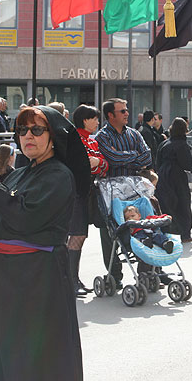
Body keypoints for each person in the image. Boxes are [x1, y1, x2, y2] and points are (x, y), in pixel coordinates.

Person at [0, 105, 90, 381]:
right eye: (22, 130)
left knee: (38, 360)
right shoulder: (17, 174)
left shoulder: (59, 175)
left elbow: (24, 217)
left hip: (37, 282)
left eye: (37, 130)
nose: (27, 136)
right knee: (7, 355)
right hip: (5, 283)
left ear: (53, 136)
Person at [95, 98, 152, 286]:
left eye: (126, 110)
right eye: (122, 111)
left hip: (134, 189)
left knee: (144, 225)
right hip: (110, 191)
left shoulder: (134, 134)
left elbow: (147, 156)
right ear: (110, 115)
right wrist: (134, 156)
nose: (127, 113)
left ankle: (147, 270)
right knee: (110, 232)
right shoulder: (102, 137)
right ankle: (114, 275)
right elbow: (110, 159)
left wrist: (124, 157)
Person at [69, 104, 109, 297]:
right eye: (94, 118)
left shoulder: (92, 141)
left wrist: (97, 163)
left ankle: (73, 279)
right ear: (85, 119)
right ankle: (70, 280)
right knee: (77, 235)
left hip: (90, 191)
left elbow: (103, 165)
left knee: (81, 235)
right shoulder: (74, 139)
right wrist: (95, 164)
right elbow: (81, 165)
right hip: (76, 192)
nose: (97, 122)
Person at [155, 117, 192, 244]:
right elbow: (186, 163)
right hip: (177, 176)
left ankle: (167, 231)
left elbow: (158, 161)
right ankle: (185, 234)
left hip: (164, 175)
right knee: (183, 204)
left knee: (167, 204)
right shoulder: (182, 145)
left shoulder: (164, 143)